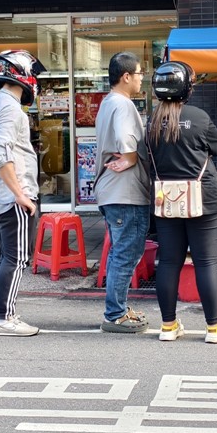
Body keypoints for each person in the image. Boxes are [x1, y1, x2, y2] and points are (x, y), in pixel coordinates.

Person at [139, 61, 217, 344]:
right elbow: (216, 148)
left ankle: (168, 326)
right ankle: (214, 329)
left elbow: (146, 153)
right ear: (186, 89)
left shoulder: (152, 121)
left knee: (168, 262)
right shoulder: (199, 117)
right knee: (205, 263)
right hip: (203, 198)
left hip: (166, 199)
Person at [0, 50, 46, 337]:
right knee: (16, 259)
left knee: (7, 257)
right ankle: (6, 317)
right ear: (22, 73)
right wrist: (20, 194)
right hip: (11, 196)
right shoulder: (11, 109)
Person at [95, 52, 152, 334]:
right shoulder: (123, 104)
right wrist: (130, 158)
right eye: (140, 73)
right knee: (126, 253)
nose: (142, 78)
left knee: (123, 252)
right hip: (124, 192)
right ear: (127, 76)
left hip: (112, 191)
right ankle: (115, 314)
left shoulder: (108, 103)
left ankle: (117, 308)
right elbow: (125, 137)